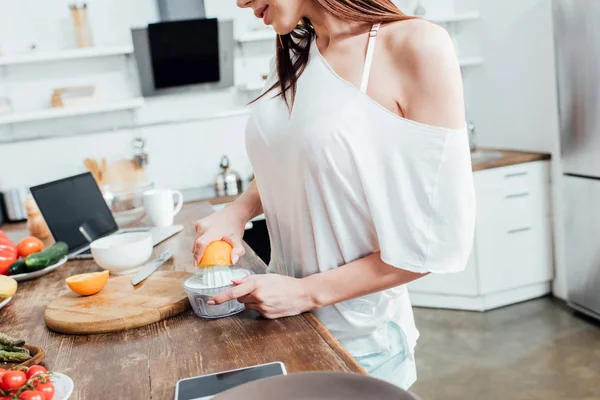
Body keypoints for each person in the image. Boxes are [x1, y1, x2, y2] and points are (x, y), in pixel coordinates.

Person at [193, 0, 475, 389]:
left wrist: (304, 293)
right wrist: (238, 210)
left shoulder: (415, 45)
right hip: (289, 332)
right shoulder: (296, 54)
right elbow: (297, 163)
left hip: (361, 346)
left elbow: (434, 243)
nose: (240, 1)